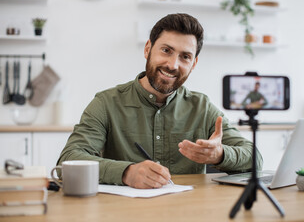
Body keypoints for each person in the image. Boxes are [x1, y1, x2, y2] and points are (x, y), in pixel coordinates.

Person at [57, 13, 263, 189]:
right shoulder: (106, 103)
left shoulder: (203, 108)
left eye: (185, 57)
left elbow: (255, 159)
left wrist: (220, 155)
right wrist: (126, 172)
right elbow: (69, 159)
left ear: (194, 64)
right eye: (166, 50)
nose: (173, 64)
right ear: (148, 49)